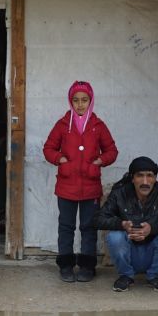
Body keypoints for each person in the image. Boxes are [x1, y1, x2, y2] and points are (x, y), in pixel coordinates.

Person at [43, 80, 118, 282]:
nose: (80, 104)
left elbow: (112, 151)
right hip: (66, 187)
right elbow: (48, 149)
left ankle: (87, 267)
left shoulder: (98, 126)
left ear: (91, 101)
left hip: (91, 187)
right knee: (66, 227)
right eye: (75, 100)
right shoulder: (62, 125)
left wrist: (99, 161)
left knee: (88, 228)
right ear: (70, 101)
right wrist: (60, 159)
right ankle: (66, 266)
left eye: (84, 100)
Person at [96, 156, 158, 293]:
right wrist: (122, 224)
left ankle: (155, 276)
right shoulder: (119, 193)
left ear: (155, 178)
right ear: (132, 178)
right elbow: (99, 219)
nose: (145, 181)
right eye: (140, 176)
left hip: (153, 254)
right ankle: (125, 276)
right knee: (114, 236)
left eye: (149, 176)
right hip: (129, 253)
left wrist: (153, 229)